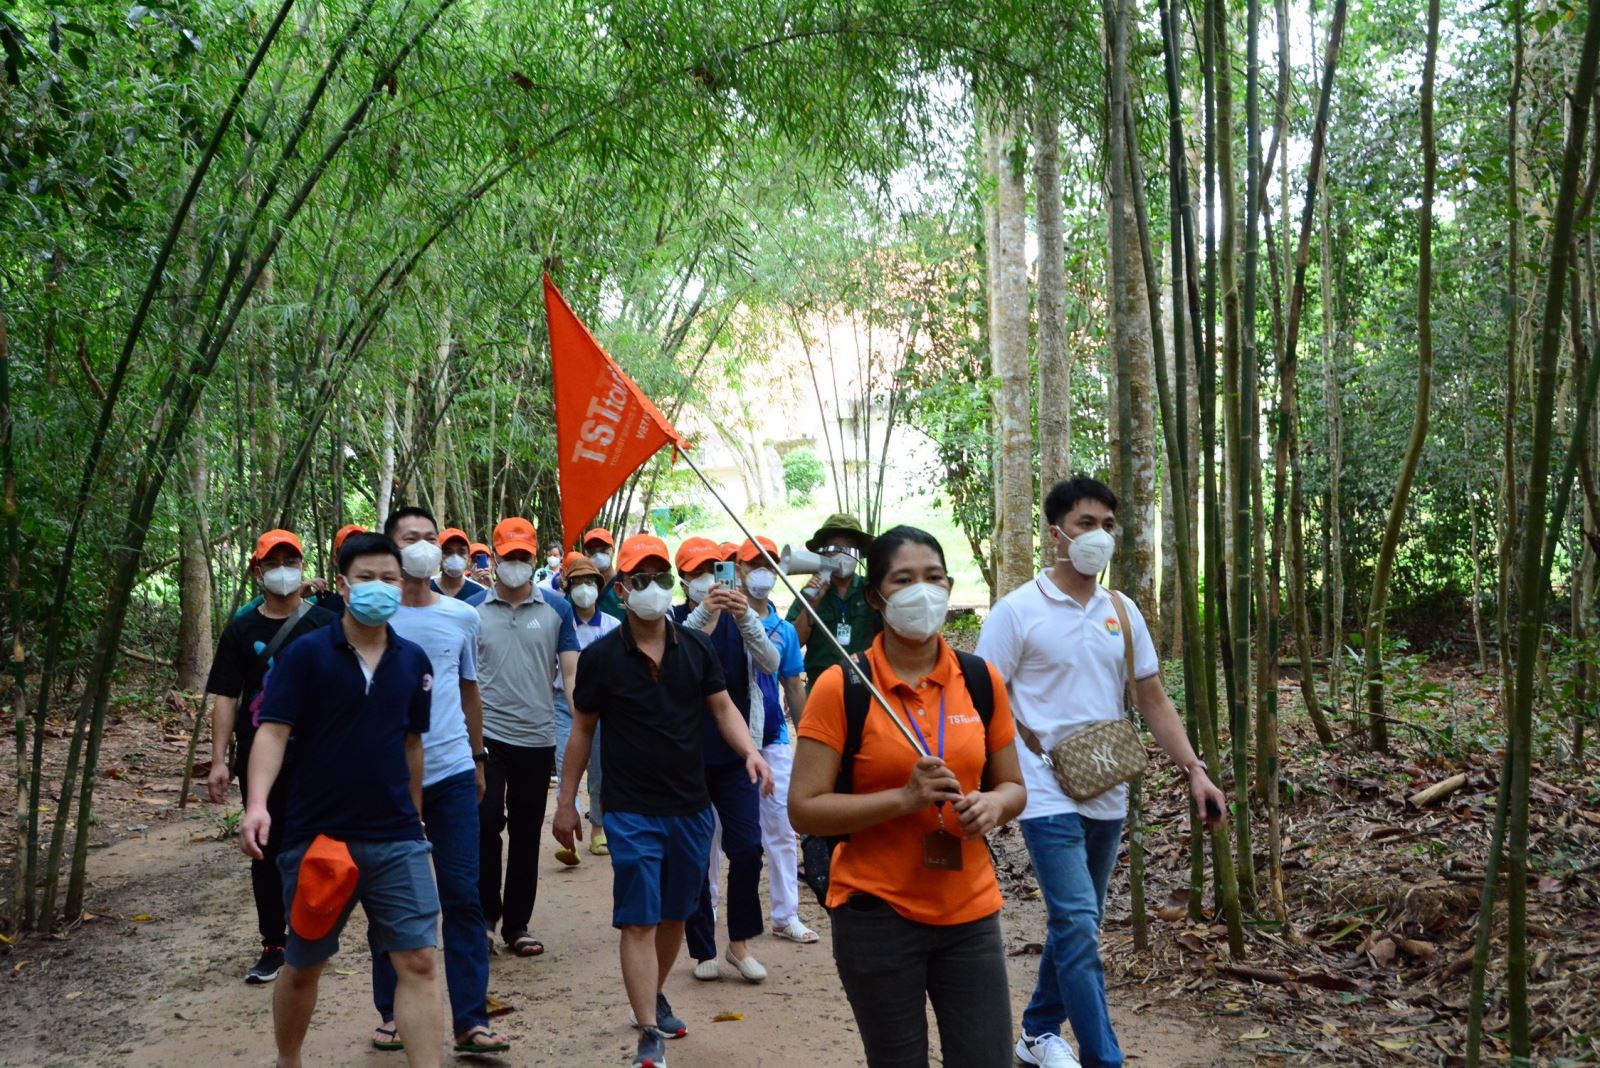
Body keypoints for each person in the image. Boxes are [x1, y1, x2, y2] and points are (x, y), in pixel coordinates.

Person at [975, 477, 1227, 1068]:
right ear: (1055, 533)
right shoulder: (1017, 611)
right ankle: (1104, 1058)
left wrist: (1195, 770)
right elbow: (983, 698)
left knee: (1074, 923)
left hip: (1106, 784)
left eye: (1108, 526)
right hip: (1042, 786)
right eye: (1087, 524)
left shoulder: (1122, 609)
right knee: (1079, 920)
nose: (1099, 537)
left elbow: (1153, 698)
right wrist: (996, 786)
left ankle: (1038, 1030)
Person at [789, 525, 1027, 1068]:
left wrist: (993, 806)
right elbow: (804, 808)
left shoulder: (980, 679)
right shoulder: (841, 686)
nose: (923, 591)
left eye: (934, 578)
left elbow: (1013, 787)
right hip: (877, 914)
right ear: (877, 596)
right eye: (904, 580)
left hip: (969, 914)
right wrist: (904, 798)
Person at [552, 533, 774, 1068]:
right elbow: (581, 732)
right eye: (642, 580)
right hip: (630, 810)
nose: (653, 589)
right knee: (640, 920)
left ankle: (651, 997)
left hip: (691, 807)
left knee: (675, 914)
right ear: (623, 590)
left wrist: (751, 753)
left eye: (661, 579)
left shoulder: (694, 648)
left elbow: (723, 709)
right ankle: (649, 1032)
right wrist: (567, 803)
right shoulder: (601, 657)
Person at [239, 531, 443, 1068]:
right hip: (317, 837)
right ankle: (289, 1060)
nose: (380, 587)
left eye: (390, 578)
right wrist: (257, 804)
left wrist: (417, 819)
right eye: (367, 578)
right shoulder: (306, 655)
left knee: (420, 961)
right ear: (344, 586)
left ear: (404, 584)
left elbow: (411, 745)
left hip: (397, 835)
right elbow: (272, 732)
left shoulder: (414, 661)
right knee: (304, 963)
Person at [369, 506, 508, 1056]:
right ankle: (391, 1013)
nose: (424, 546)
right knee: (392, 900)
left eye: (431, 537)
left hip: (452, 772)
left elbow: (469, 689)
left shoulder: (462, 616)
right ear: (391, 549)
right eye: (412, 538)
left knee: (463, 896)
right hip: (386, 779)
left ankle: (471, 1019)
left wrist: (477, 758)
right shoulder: (373, 617)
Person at [205, 529, 338, 983]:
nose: (284, 570)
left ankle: (312, 934)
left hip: (318, 754)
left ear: (303, 567)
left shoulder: (324, 623)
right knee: (266, 846)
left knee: (317, 845)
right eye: (274, 562)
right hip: (261, 754)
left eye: (292, 560)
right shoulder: (242, 628)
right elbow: (225, 695)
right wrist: (219, 758)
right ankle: (273, 943)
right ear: (257, 572)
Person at [673, 536, 780, 983]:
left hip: (738, 753)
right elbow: (677, 656)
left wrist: (744, 618)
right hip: (686, 754)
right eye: (698, 572)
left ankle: (739, 943)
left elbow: (771, 663)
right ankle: (702, 949)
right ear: (682, 579)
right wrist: (708, 612)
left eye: (715, 569)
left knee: (747, 847)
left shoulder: (743, 618)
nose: (709, 580)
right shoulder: (672, 619)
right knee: (697, 854)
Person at [476, 517, 579, 957]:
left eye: (524, 556)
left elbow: (571, 673)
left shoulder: (558, 608)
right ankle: (483, 919)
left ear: (533, 558)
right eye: (509, 556)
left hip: (537, 738)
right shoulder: (472, 611)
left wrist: (584, 721)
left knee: (524, 832)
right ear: (496, 559)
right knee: (483, 826)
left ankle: (517, 925)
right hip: (486, 737)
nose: (516, 563)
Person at [738, 536, 818, 945]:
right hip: (730, 741)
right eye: (754, 563)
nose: (763, 571)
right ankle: (711, 908)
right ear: (738, 570)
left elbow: (792, 684)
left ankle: (786, 915)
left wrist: (808, 737)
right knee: (724, 833)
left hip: (775, 737)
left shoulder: (784, 630)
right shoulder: (724, 620)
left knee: (783, 828)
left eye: (769, 562)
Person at [551, 551, 619, 864]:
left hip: (603, 708)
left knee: (600, 768)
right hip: (564, 706)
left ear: (599, 585)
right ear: (567, 588)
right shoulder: (559, 624)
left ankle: (597, 829)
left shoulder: (613, 625)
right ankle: (569, 837)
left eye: (590, 581)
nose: (584, 588)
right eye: (577, 582)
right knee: (567, 763)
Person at [786, 513, 875, 690]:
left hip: (867, 686)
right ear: (824, 553)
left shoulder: (871, 591)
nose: (843, 554)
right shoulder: (810, 592)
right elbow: (792, 644)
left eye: (850, 548)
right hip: (819, 686)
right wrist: (811, 605)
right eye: (836, 548)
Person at [433, 527, 490, 607]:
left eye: (461, 552)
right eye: (448, 551)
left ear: (469, 559)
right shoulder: (425, 588)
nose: (455, 557)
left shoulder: (479, 592)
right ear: (438, 556)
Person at [580, 526, 627, 620]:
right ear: (585, 555)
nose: (598, 555)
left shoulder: (625, 587)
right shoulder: (580, 586)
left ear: (613, 550)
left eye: (603, 549)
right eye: (591, 551)